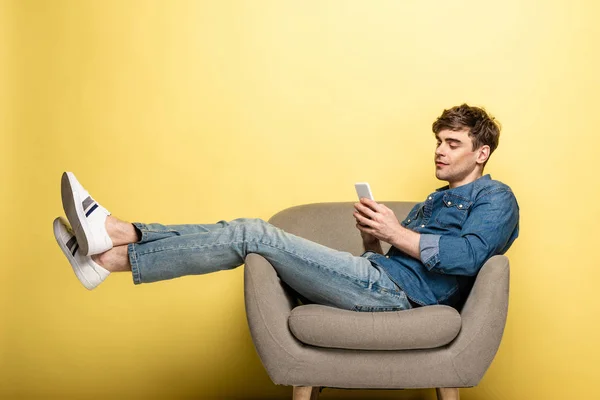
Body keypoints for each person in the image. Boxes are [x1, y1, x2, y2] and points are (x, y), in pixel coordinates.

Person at [53, 104, 519, 311]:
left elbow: (471, 257)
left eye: (453, 143)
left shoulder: (496, 198)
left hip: (395, 297)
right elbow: (400, 253)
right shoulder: (435, 200)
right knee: (246, 233)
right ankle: (112, 250)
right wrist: (374, 233)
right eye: (438, 141)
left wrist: (397, 235)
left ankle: (118, 238)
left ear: (481, 153)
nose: (440, 150)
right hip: (376, 277)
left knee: (253, 232)